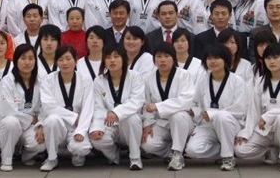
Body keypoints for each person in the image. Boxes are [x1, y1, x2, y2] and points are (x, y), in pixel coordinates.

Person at [235, 43, 280, 172]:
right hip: (265, 129)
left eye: (276, 57)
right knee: (240, 149)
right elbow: (254, 110)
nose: (272, 62)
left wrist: (268, 116)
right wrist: (246, 132)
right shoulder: (261, 81)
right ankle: (271, 150)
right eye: (268, 58)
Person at [185, 45, 247, 171]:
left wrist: (213, 113)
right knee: (192, 150)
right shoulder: (203, 79)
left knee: (222, 117)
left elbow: (240, 109)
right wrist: (196, 112)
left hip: (230, 124)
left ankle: (228, 157)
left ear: (225, 60)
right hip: (207, 124)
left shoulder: (237, 81)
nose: (213, 62)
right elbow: (196, 103)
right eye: (209, 58)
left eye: (217, 58)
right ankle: (224, 150)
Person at [90, 44, 146, 170]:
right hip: (108, 122)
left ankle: (135, 158)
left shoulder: (135, 76)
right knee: (97, 140)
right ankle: (114, 155)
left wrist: (116, 112)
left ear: (123, 59)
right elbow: (98, 107)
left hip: (128, 121)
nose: (112, 60)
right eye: (108, 57)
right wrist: (97, 127)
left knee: (133, 118)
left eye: (116, 56)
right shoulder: (99, 80)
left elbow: (137, 101)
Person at [38, 46, 94, 171]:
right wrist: (73, 117)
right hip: (59, 125)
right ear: (56, 62)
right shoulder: (48, 80)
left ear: (75, 60)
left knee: (81, 149)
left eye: (68, 59)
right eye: (61, 59)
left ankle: (77, 155)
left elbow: (88, 108)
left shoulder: (85, 80)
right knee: (52, 119)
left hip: (77, 125)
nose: (65, 63)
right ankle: (52, 158)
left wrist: (81, 130)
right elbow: (48, 106)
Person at [141, 43, 195, 171]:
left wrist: (158, 106)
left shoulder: (184, 75)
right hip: (161, 122)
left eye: (166, 56)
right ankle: (174, 151)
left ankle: (177, 154)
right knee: (147, 145)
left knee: (178, 115)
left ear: (173, 58)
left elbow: (185, 101)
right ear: (154, 59)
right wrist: (147, 123)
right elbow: (146, 103)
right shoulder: (148, 78)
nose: (162, 60)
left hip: (183, 121)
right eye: (159, 56)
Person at [0, 44, 46, 171]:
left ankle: (26, 156)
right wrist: (30, 119)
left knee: (40, 144)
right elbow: (7, 110)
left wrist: (41, 124)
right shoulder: (7, 81)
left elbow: (46, 106)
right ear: (16, 60)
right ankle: (6, 160)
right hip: (10, 127)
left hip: (31, 126)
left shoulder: (40, 81)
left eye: (31, 58)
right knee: (11, 121)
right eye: (23, 58)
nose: (27, 62)